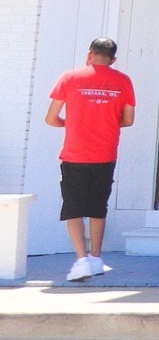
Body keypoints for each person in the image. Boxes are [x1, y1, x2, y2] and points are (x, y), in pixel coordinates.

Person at [43, 37, 136, 282]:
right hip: (106, 153)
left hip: (75, 153)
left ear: (89, 54)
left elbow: (51, 118)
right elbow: (128, 120)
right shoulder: (123, 81)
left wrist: (72, 124)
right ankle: (96, 258)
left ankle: (82, 260)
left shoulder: (70, 77)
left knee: (73, 208)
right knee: (98, 207)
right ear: (113, 59)